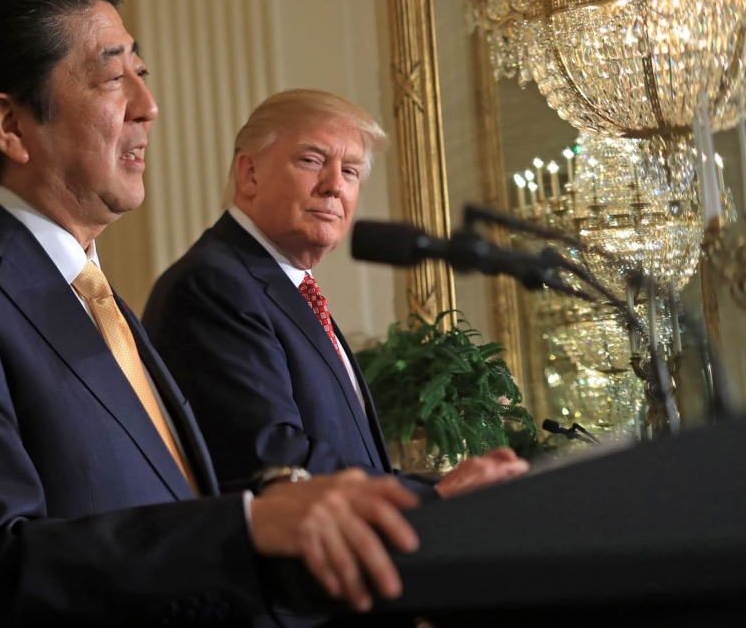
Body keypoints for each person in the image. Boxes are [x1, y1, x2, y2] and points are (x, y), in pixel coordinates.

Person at [0, 0, 426, 628]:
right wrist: (247, 525)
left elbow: (176, 519)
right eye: (112, 77)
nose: (148, 106)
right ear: (10, 124)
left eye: (142, 72)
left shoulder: (96, 296)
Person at [143, 90, 528, 499]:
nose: (333, 187)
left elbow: (348, 455)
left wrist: (436, 488)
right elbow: (272, 457)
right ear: (249, 172)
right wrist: (431, 496)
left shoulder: (287, 285)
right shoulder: (214, 284)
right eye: (311, 161)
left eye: (350, 171)